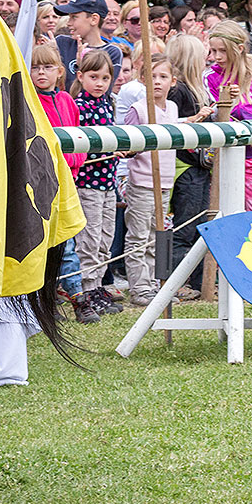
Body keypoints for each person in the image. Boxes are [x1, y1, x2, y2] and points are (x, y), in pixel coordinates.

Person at [29, 44, 95, 323]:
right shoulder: (30, 101)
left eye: (47, 67)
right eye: (35, 67)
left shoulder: (67, 100)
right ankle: (61, 296)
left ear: (59, 71)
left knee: (69, 238)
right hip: (44, 180)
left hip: (70, 178)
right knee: (55, 243)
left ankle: (73, 294)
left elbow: (76, 134)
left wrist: (78, 160)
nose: (41, 72)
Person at [119, 56, 177, 307]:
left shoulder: (172, 108)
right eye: (152, 76)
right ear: (143, 80)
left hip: (165, 181)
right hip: (143, 181)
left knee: (158, 234)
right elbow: (128, 144)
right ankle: (139, 287)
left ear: (172, 82)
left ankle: (156, 283)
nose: (157, 82)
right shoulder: (139, 109)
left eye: (163, 77)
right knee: (139, 235)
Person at [206, 22, 252, 218]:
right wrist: (226, 100)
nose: (217, 57)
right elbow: (213, 115)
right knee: (223, 214)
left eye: (222, 51)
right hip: (221, 158)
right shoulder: (209, 77)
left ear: (239, 49)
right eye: (213, 50)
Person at [70, 50, 120, 310]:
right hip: (88, 182)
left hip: (108, 183)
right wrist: (106, 151)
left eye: (104, 78)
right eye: (93, 77)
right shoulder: (80, 106)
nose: (99, 83)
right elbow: (80, 143)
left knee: (105, 238)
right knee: (89, 238)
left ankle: (98, 285)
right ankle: (86, 289)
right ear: (81, 76)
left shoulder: (107, 103)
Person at [165, 35, 214, 296]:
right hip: (186, 168)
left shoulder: (197, 88)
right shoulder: (179, 90)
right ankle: (178, 283)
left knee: (199, 227)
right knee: (186, 228)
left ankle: (198, 282)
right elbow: (178, 126)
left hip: (199, 167)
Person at [53, 0, 124, 89]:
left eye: (74, 17)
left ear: (94, 19)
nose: (68, 23)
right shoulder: (62, 43)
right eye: (69, 17)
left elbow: (101, 93)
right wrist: (48, 54)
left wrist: (82, 66)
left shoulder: (112, 52)